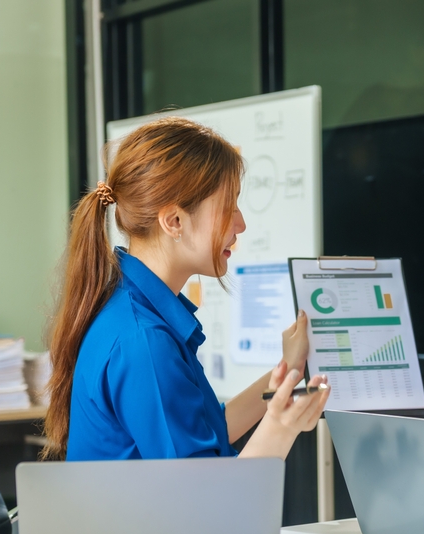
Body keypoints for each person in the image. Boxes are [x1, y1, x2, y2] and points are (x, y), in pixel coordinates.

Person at [42, 116, 329, 461]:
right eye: (227, 207)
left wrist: (288, 366)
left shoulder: (136, 311)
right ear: (174, 221)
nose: (240, 224)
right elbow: (205, 503)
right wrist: (282, 428)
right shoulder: (144, 341)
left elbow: (206, 431)